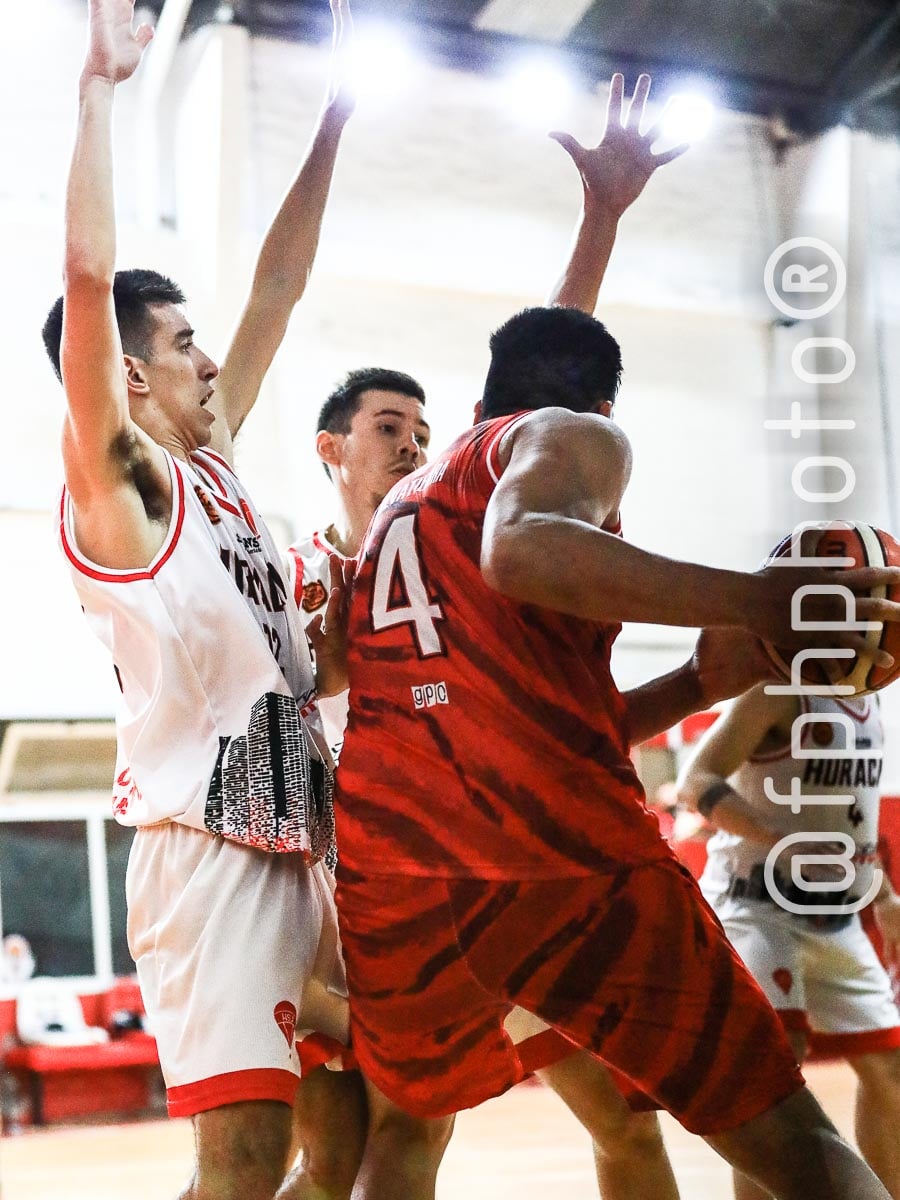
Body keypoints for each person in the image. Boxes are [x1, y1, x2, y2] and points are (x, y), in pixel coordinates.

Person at [332, 300, 900, 1200]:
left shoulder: (411, 503)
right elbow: (520, 550)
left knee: (404, 1138)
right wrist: (756, 599)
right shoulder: (576, 435)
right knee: (789, 1139)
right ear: (601, 407)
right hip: (556, 852)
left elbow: (530, 713)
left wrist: (692, 686)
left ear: (481, 402)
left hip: (395, 869)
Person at [289, 74, 687, 1200]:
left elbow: (534, 394)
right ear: (333, 448)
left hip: (495, 856)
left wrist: (599, 225)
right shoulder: (316, 567)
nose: (412, 447)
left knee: (624, 1127)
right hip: (369, 873)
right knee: (342, 1159)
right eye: (388, 429)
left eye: (424, 430)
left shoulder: (459, 518)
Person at [44, 2, 370, 1197]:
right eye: (185, 344)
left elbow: (279, 288)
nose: (213, 357)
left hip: (303, 844)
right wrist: (98, 89)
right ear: (131, 373)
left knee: (350, 1136)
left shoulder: (223, 477)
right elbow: (87, 279)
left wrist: (336, 115)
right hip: (211, 854)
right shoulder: (123, 486)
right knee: (242, 1166)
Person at [677, 685, 900, 1199]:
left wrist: (884, 893)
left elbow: (852, 817)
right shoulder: (774, 694)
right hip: (754, 904)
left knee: (888, 1068)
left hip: (836, 912)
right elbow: (695, 782)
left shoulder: (870, 703)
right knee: (774, 1067)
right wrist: (778, 839)